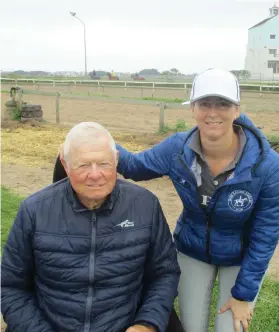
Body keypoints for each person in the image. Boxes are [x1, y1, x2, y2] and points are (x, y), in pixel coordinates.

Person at [113, 68, 279, 332]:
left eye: (223, 104)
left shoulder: (267, 165)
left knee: (230, 329)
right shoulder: (177, 149)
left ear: (236, 110)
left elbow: (266, 233)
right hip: (192, 248)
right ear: (192, 108)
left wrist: (244, 294)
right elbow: (134, 166)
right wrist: (97, 143)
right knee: (191, 328)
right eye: (204, 103)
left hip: (240, 255)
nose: (213, 112)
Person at [1, 122, 181, 332]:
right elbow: (10, 286)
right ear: (65, 165)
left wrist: (146, 324)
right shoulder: (34, 211)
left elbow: (165, 273)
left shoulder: (145, 206)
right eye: (83, 165)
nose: (95, 175)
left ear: (116, 160)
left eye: (104, 163)